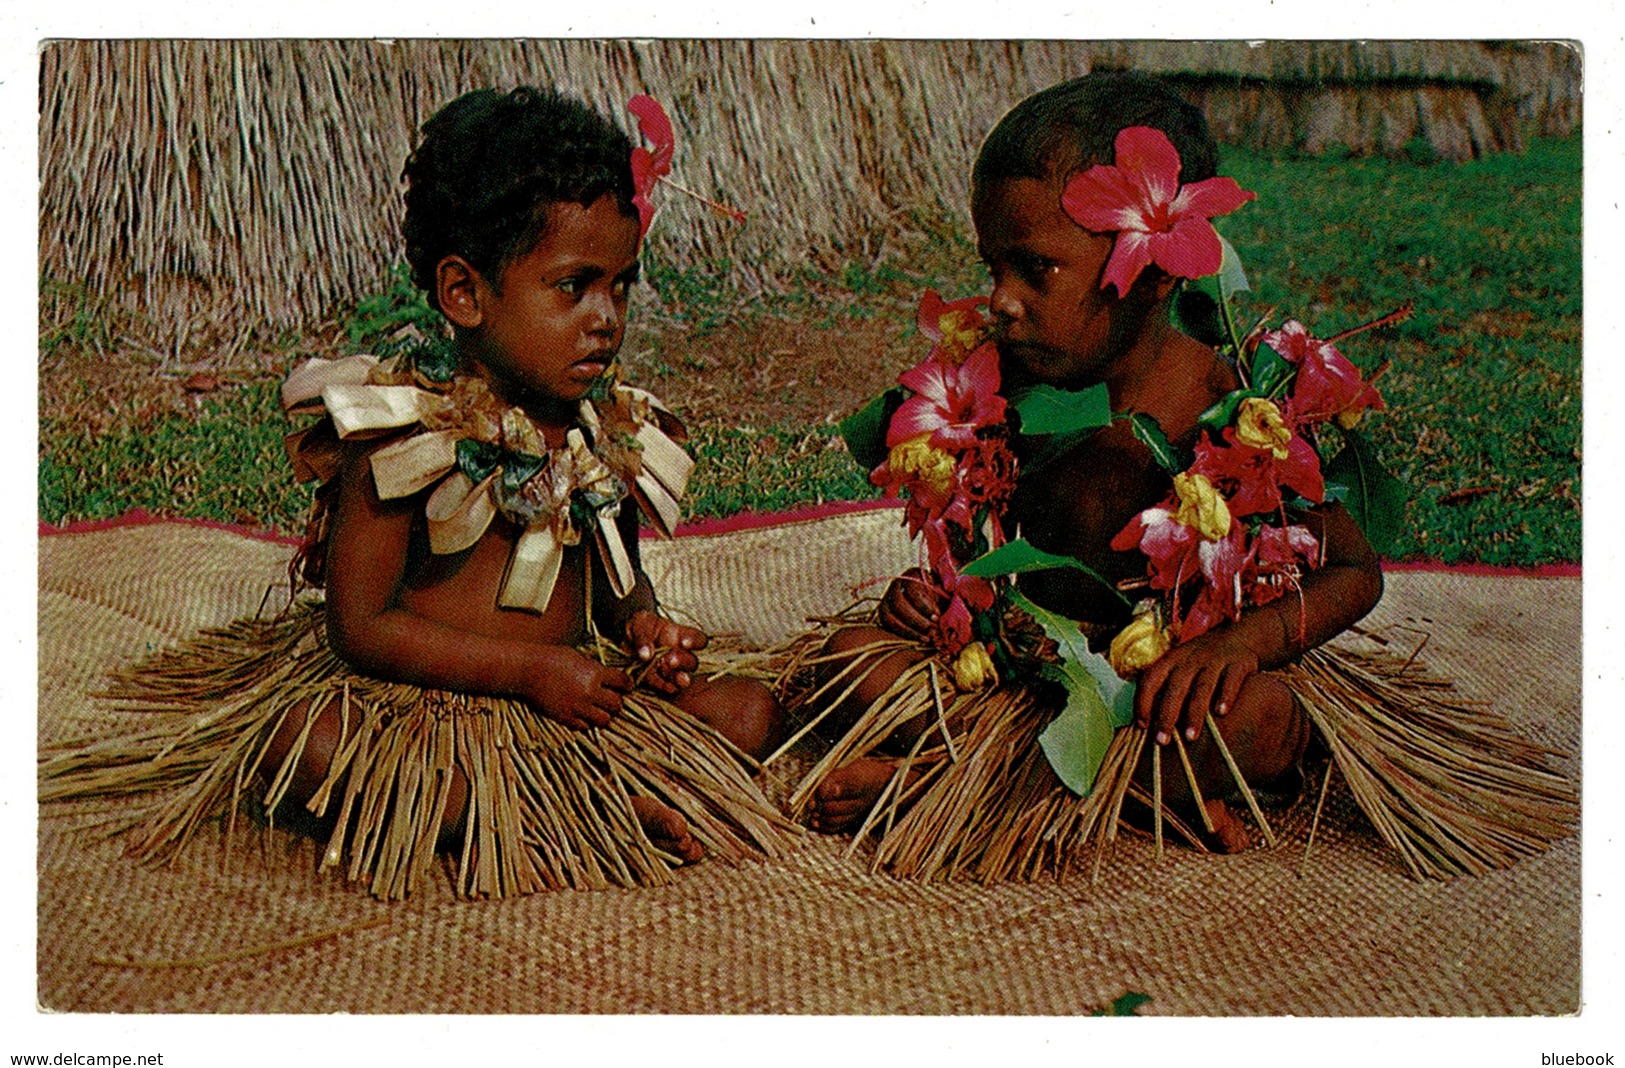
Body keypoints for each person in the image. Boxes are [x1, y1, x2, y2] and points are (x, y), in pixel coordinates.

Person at [790, 72, 1573, 878]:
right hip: (1028, 669)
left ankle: (963, 783)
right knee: (846, 661)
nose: (1001, 301)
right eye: (992, 267)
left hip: (1166, 689)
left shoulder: (1227, 409)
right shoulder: (1001, 391)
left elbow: (1354, 571)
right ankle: (1106, 791)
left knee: (1256, 723)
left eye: (1035, 271)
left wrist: (1241, 644)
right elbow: (976, 547)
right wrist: (936, 607)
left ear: (1155, 267)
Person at [43, 86, 793, 900]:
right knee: (304, 745)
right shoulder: (404, 440)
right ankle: (508, 812)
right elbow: (360, 629)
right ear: (464, 293)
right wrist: (524, 672)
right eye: (573, 286)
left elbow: (616, 582)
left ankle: (582, 796)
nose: (605, 318)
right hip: (426, 708)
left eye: (620, 286)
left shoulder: (603, 435)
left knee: (748, 711)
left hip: (569, 705)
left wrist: (643, 626)